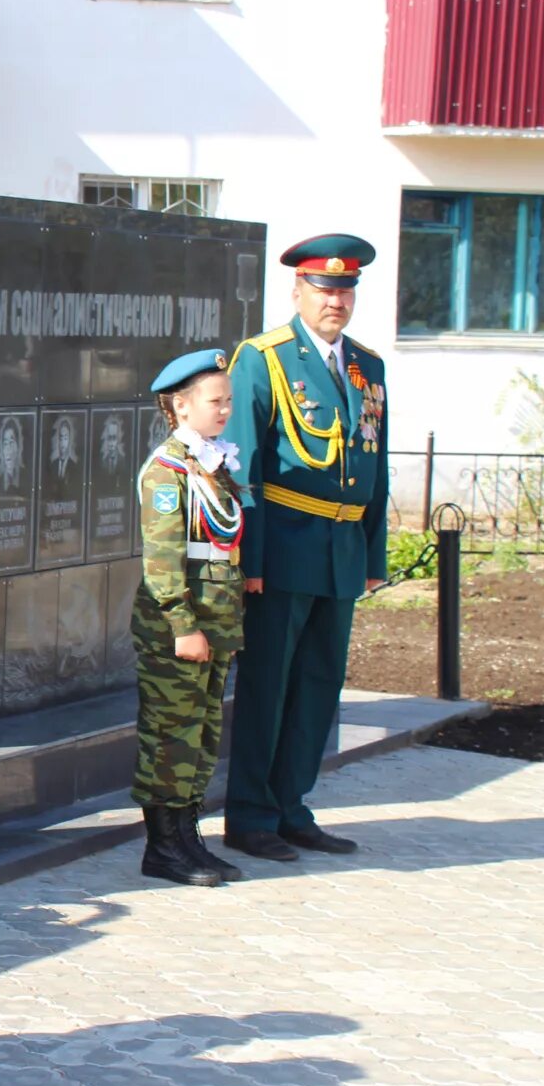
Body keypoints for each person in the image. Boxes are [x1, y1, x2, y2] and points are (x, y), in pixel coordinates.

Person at [222, 235, 387, 862]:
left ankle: (293, 806)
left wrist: (373, 556)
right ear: (298, 292)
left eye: (345, 291)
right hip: (284, 547)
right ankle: (250, 814)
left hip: (341, 548)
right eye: (324, 289)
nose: (335, 301)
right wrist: (251, 560)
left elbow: (376, 462)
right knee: (269, 685)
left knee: (319, 685)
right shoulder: (263, 359)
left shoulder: (366, 366)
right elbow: (245, 467)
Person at [132, 349, 246, 888]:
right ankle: (163, 847)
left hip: (215, 624)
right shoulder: (168, 472)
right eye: (215, 400)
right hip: (179, 630)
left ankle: (188, 838)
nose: (225, 410)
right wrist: (183, 626)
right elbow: (163, 560)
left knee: (201, 735)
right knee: (170, 737)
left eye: (228, 400)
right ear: (181, 405)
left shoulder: (214, 464)